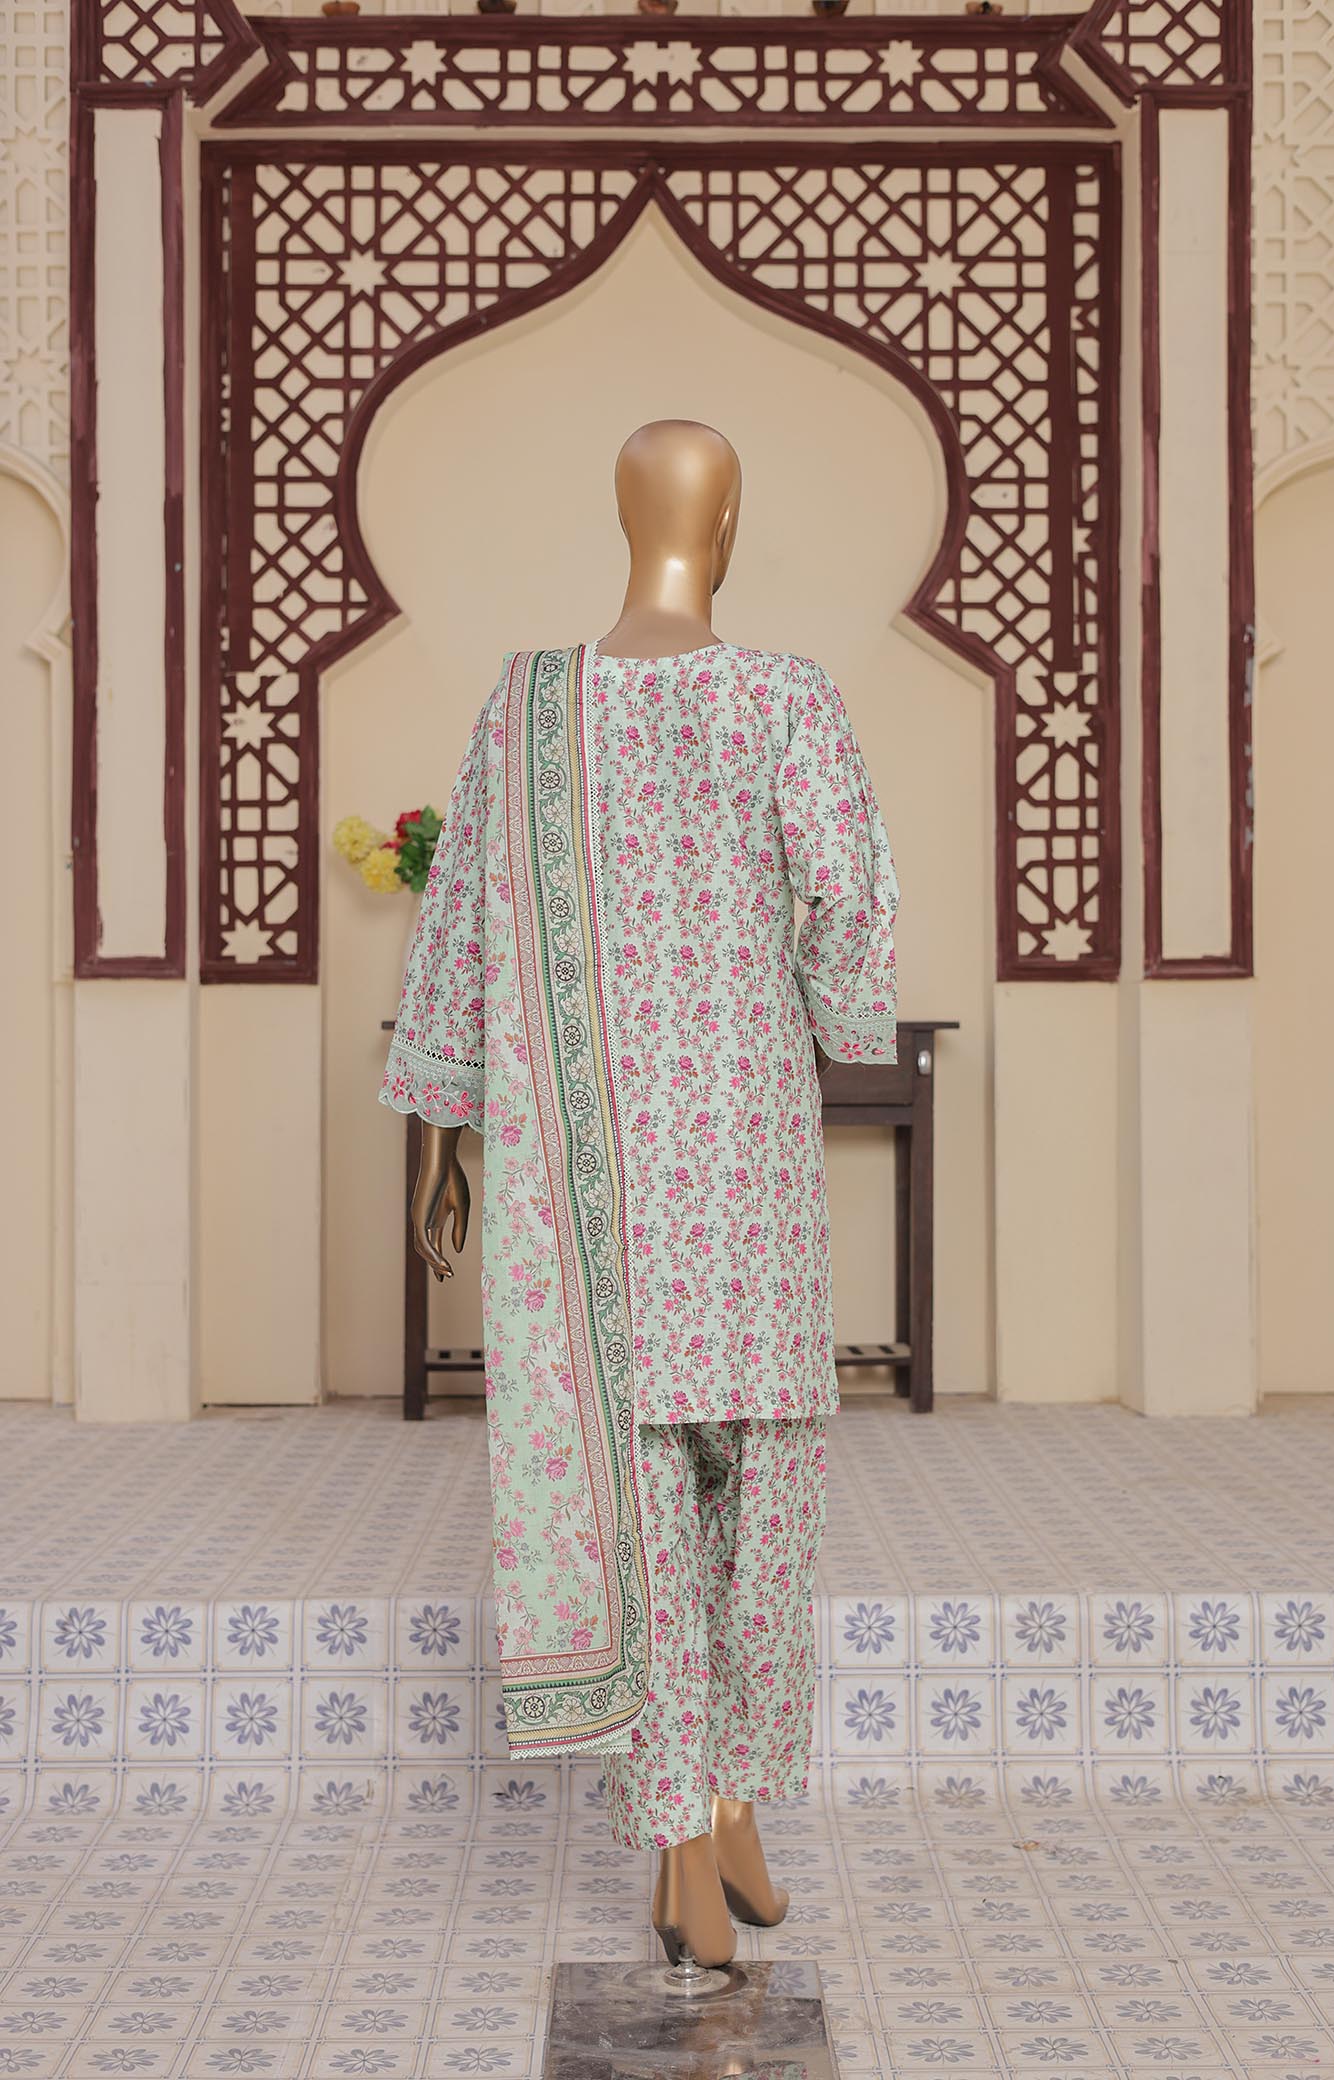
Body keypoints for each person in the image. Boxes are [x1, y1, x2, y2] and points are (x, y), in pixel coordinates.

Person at [378, 421, 900, 1968]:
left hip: (590, 1187)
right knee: (766, 1490)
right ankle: (714, 1809)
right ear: (726, 521)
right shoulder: (784, 696)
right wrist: (839, 1022)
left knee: (643, 1501)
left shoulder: (530, 707)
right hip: (741, 1170)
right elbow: (848, 901)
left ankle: (701, 1817)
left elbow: (465, 921)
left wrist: (450, 1139)